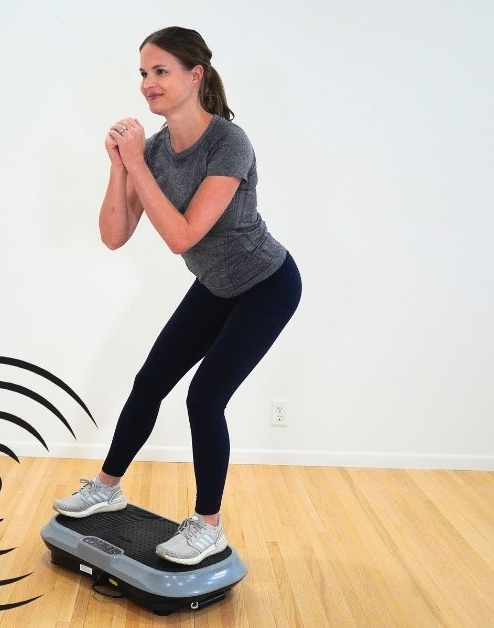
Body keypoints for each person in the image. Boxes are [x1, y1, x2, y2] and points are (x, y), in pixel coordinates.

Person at [53, 26, 302, 566]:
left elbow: (182, 236)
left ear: (196, 75)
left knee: (205, 396)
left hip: (266, 285)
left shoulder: (228, 143)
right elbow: (115, 236)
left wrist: (138, 164)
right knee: (151, 381)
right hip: (215, 285)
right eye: (143, 74)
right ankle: (106, 486)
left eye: (160, 71)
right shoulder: (158, 150)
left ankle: (207, 526)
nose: (148, 84)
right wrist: (120, 166)